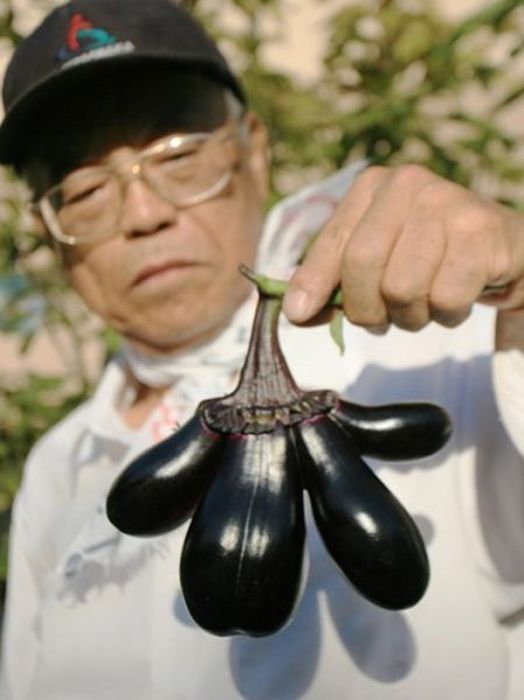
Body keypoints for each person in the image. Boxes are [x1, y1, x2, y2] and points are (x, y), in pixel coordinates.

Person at [1, 0, 524, 698]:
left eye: (177, 156)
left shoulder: (445, 349)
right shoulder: (58, 468)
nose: (144, 214)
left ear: (253, 149)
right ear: (48, 229)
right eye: (85, 189)